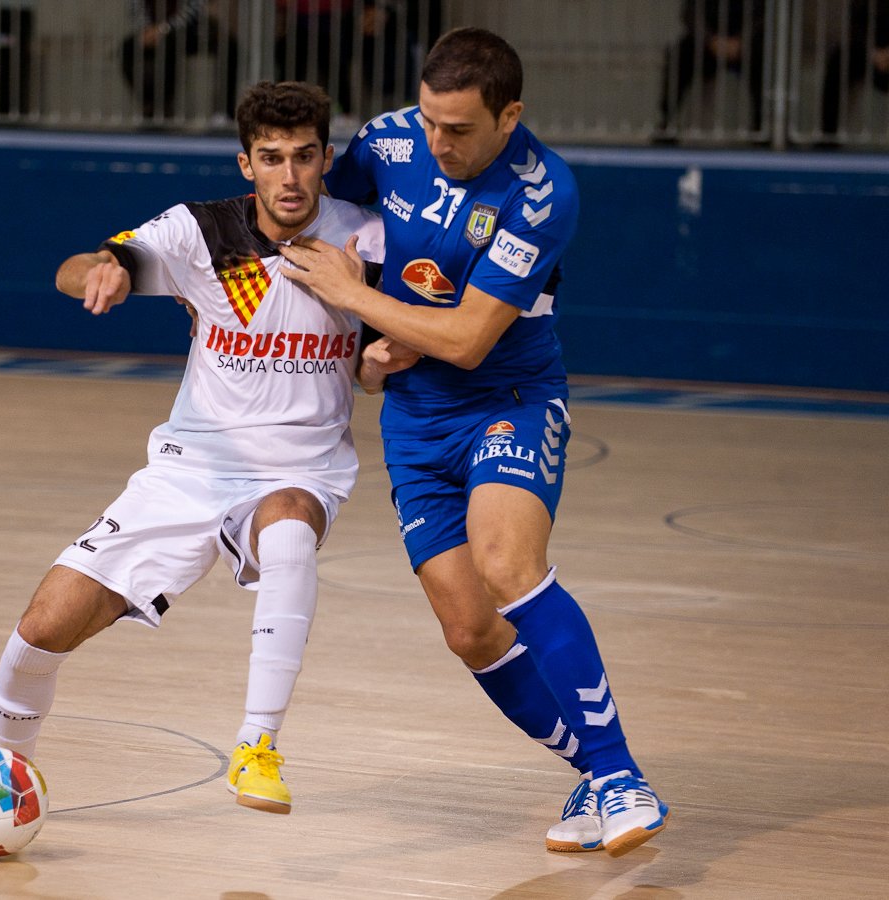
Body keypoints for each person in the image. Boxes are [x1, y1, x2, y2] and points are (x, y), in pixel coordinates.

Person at [0, 81, 384, 829]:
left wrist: (380, 361)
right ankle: (2, 773)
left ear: (327, 158)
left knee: (290, 525)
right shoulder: (200, 233)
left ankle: (258, 743)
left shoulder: (363, 241)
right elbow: (74, 266)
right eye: (272, 158)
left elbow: (374, 364)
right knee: (45, 626)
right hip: (188, 471)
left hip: (300, 469)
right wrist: (105, 270)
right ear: (247, 164)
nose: (291, 176)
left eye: (305, 157)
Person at [279, 27, 669, 857]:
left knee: (507, 566)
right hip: (415, 421)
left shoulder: (542, 192)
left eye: (457, 129)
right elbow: (312, 208)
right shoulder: (387, 142)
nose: (437, 141)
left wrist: (359, 296)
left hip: (509, 399)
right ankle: (593, 774)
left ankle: (621, 772)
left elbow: (465, 340)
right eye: (428, 121)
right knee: (468, 628)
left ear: (509, 115)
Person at [657, 0, 767, 138]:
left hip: (745, 45)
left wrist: (742, 42)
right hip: (707, 43)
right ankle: (667, 123)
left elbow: (763, 16)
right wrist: (710, 40)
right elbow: (690, 13)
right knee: (679, 56)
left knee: (766, 62)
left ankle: (762, 127)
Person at [121, 0, 239, 119]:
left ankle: (224, 112)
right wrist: (147, 28)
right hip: (149, 31)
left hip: (188, 29)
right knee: (127, 48)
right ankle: (152, 105)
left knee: (229, 46)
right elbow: (134, 6)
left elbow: (193, 9)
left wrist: (163, 29)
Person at [821, 0, 889, 137]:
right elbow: (855, 27)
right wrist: (872, 53)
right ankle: (828, 136)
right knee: (839, 60)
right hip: (869, 54)